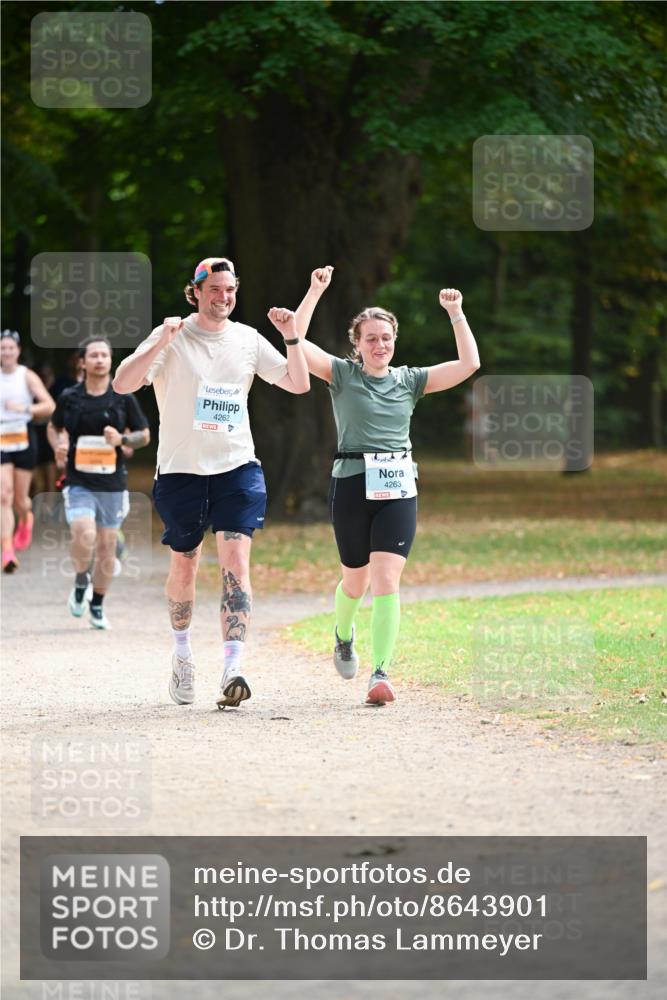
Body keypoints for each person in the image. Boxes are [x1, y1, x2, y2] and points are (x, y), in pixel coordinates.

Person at [113, 257, 313, 709]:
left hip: (237, 467)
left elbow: (298, 384)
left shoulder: (247, 339)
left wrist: (292, 337)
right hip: (182, 470)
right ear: (196, 292)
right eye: (216, 289)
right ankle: (182, 655)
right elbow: (124, 384)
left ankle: (233, 666)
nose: (224, 298)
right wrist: (159, 341)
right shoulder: (173, 335)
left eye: (230, 290)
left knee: (236, 564)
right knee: (185, 565)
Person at [294, 268, 481, 705]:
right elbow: (296, 341)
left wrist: (455, 313)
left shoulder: (410, 380)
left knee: (387, 581)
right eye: (371, 338)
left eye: (386, 337)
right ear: (356, 345)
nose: (380, 345)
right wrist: (315, 291)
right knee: (355, 584)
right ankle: (343, 634)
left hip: (399, 489)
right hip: (351, 486)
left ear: (395, 341)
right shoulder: (342, 375)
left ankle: (381, 673)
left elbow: (469, 365)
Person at [47, 337, 150, 629]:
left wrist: (122, 439)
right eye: (93, 355)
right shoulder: (70, 396)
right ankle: (81, 582)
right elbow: (54, 428)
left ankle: (97, 604)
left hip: (112, 483)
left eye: (104, 355)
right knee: (83, 533)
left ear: (111, 360)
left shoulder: (123, 398)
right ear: (83, 362)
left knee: (106, 548)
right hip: (79, 479)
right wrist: (58, 446)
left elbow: (143, 434)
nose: (100, 360)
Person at [1, 330, 55, 573]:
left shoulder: (27, 376)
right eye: (2, 348)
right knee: (4, 496)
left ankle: (26, 518)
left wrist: (24, 407)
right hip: (1, 439)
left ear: (18, 350)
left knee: (20, 499)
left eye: (10, 347)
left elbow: (49, 406)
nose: (6, 352)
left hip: (23, 437)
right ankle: (7, 550)